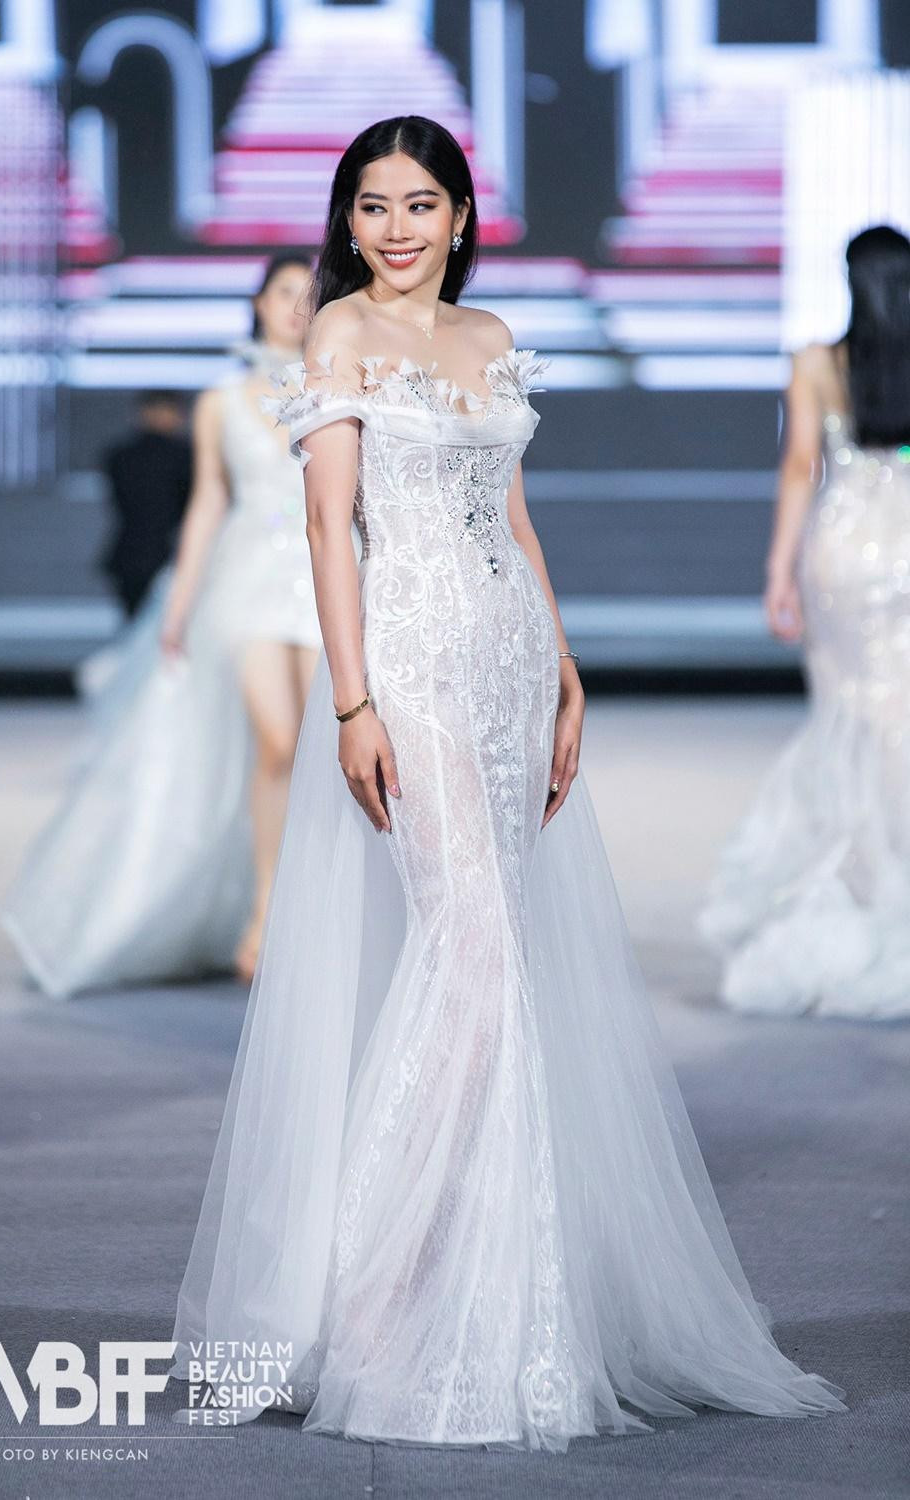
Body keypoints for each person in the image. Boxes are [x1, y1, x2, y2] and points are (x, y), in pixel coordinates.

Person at [168, 116, 846, 1450]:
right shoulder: (340, 334)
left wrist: (565, 664)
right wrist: (351, 701)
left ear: (463, 216)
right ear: (348, 221)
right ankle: (369, 1299)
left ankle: (473, 1285)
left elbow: (516, 521)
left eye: (421, 204)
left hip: (510, 661)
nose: (398, 228)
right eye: (374, 206)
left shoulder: (487, 339)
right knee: (472, 952)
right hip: (409, 666)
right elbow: (329, 526)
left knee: (499, 960)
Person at [2, 254, 320, 997]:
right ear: (258, 302)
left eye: (311, 293)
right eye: (284, 291)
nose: (297, 305)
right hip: (247, 580)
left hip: (328, 571)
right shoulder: (221, 402)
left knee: (321, 750)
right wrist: (177, 606)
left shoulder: (340, 385)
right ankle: (265, 912)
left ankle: (316, 914)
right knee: (278, 741)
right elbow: (208, 503)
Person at [699, 225, 910, 1019]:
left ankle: (862, 884)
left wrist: (777, 571)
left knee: (851, 719)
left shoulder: (818, 362)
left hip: (844, 553)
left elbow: (800, 468)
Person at [100, 391, 193, 618]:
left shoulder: (120, 456)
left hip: (132, 552)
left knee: (136, 620)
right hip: (171, 548)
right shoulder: (186, 456)